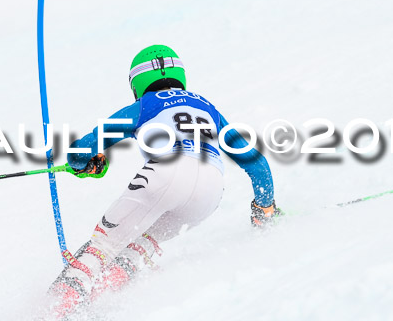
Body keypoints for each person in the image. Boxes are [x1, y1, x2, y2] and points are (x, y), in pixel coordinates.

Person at [49, 45, 282, 316]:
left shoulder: (146, 105)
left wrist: (85, 163)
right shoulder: (209, 109)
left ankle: (55, 311)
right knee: (141, 242)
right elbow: (258, 165)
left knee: (103, 245)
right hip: (210, 191)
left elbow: (80, 151)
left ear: (137, 83)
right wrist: (264, 210)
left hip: (166, 173)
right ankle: (107, 302)